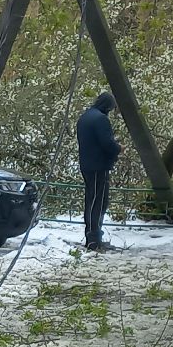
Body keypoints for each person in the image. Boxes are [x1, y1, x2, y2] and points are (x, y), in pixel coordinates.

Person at [75, 92, 120, 250]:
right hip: (98, 166)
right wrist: (118, 149)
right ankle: (94, 239)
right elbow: (107, 143)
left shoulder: (85, 117)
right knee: (98, 202)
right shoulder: (101, 119)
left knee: (91, 199)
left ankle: (92, 236)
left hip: (87, 164)